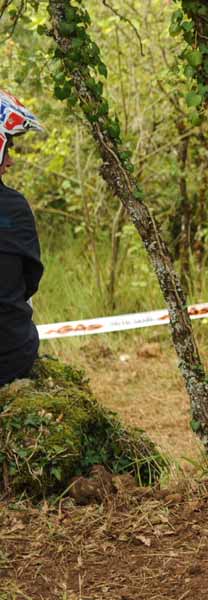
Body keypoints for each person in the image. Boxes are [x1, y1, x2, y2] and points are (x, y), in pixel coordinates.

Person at [0, 90, 44, 387]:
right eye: (9, 148)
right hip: (10, 355)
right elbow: (30, 280)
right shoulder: (12, 208)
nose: (10, 161)